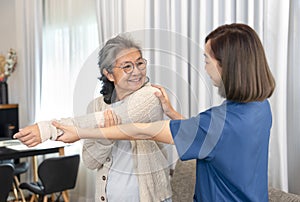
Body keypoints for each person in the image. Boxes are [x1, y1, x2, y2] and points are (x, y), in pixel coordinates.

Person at [46, 23, 276, 202]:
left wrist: (80, 131)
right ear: (108, 73)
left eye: (206, 60)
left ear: (226, 66)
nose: (204, 67)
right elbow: (207, 136)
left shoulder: (155, 99)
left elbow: (145, 130)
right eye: (126, 66)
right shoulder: (259, 107)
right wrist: (173, 113)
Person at [14, 35, 172, 202]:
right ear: (109, 74)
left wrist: (48, 129)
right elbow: (90, 162)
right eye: (127, 66)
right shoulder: (96, 107)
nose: (137, 71)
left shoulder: (152, 96)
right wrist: (107, 138)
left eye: (140, 63)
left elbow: (110, 118)